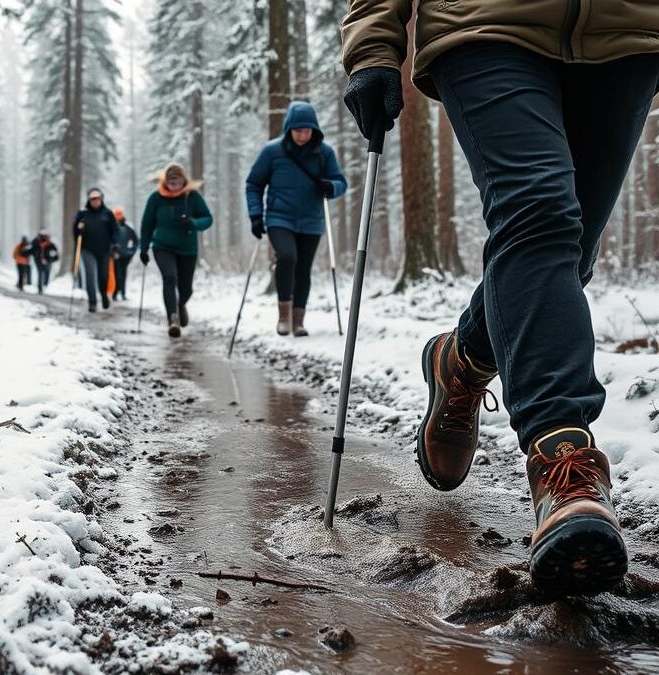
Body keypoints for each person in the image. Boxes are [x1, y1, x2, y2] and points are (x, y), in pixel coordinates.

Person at [341, 1, 659, 596]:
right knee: (539, 213)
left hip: (627, 32)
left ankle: (461, 360)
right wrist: (373, 44)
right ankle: (563, 461)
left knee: (570, 252)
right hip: (486, 22)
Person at [245, 101, 348, 337]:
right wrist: (254, 214)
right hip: (279, 217)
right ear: (289, 128)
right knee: (287, 257)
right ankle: (283, 315)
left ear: (314, 129)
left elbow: (341, 183)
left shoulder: (324, 152)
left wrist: (330, 186)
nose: (302, 135)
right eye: (297, 129)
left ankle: (298, 321)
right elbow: (254, 183)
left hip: (311, 220)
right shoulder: (272, 151)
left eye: (307, 130)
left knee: (303, 270)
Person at [139, 163, 213, 337]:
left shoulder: (192, 197)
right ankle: (173, 319)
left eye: (178, 184)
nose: (174, 188)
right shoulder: (156, 198)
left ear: (184, 182)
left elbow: (208, 219)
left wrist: (194, 223)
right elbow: (147, 224)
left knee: (186, 288)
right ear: (165, 182)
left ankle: (180, 305)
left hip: (188, 249)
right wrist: (143, 248)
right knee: (169, 278)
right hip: (162, 247)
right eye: (171, 184)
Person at [71, 188, 119, 312]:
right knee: (90, 275)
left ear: (101, 199)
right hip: (88, 250)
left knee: (103, 276)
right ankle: (92, 302)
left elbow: (115, 231)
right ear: (89, 200)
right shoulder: (82, 214)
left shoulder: (108, 213)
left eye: (97, 199)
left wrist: (115, 244)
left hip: (104, 250)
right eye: (92, 199)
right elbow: (75, 232)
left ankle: (103, 295)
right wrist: (79, 230)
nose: (95, 201)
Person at [112, 206, 138, 301]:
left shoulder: (128, 228)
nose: (118, 216)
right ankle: (115, 293)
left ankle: (122, 293)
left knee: (123, 274)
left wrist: (131, 251)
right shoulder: (111, 228)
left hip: (125, 256)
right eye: (117, 214)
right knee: (117, 274)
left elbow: (136, 241)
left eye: (120, 214)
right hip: (116, 256)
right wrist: (113, 252)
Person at [29, 230, 59, 294]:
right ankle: (40, 287)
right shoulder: (36, 242)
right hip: (39, 260)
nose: (43, 238)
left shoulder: (50, 244)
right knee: (40, 273)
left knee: (46, 272)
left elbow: (55, 253)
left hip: (47, 260)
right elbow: (31, 250)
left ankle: (44, 285)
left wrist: (52, 259)